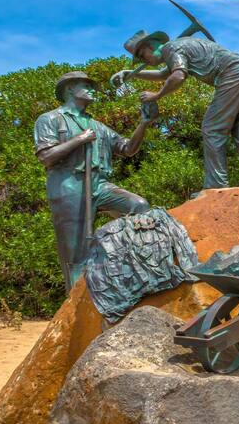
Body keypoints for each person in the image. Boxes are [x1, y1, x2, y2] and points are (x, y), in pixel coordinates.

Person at [34, 71, 154, 291]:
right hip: (69, 184)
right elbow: (46, 157)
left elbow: (127, 149)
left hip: (99, 184)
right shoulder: (51, 119)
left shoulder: (98, 126)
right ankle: (76, 305)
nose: (92, 90)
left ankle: (128, 267)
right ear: (69, 89)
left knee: (138, 206)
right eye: (86, 86)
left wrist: (143, 124)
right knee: (76, 253)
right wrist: (79, 139)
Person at [114, 31, 239, 190]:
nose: (144, 61)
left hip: (235, 75)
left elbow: (178, 76)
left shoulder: (171, 48)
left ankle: (216, 184)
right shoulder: (180, 46)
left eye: (142, 56)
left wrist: (156, 95)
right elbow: (164, 74)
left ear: (149, 46)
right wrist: (131, 75)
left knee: (212, 129)